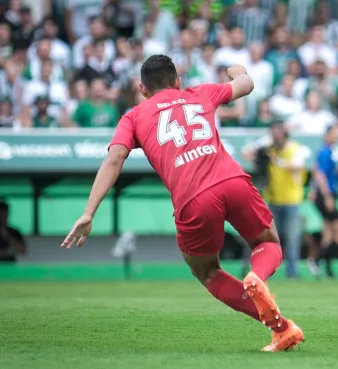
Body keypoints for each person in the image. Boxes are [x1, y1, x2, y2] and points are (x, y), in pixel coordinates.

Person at [61, 55, 304, 352]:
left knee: (208, 272)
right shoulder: (199, 93)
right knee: (268, 242)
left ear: (143, 88)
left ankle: (281, 327)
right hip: (232, 180)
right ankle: (257, 276)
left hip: (193, 198)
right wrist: (237, 69)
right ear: (178, 82)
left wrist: (88, 212)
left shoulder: (134, 116)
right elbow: (246, 84)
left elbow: (114, 159)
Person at [243, 122, 310, 279]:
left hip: (292, 200)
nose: (275, 137)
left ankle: (292, 273)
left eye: (278, 133)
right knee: (270, 239)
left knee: (292, 239)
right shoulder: (270, 148)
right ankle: (265, 270)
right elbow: (246, 152)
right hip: (273, 199)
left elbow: (296, 165)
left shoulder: (294, 148)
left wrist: (276, 160)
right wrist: (261, 153)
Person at [311, 123, 338, 279]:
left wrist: (314, 191)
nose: (337, 137)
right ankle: (316, 260)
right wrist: (327, 196)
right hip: (327, 195)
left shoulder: (328, 152)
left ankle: (326, 269)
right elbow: (320, 174)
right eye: (334, 133)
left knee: (328, 234)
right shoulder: (325, 152)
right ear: (327, 135)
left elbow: (315, 170)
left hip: (325, 194)